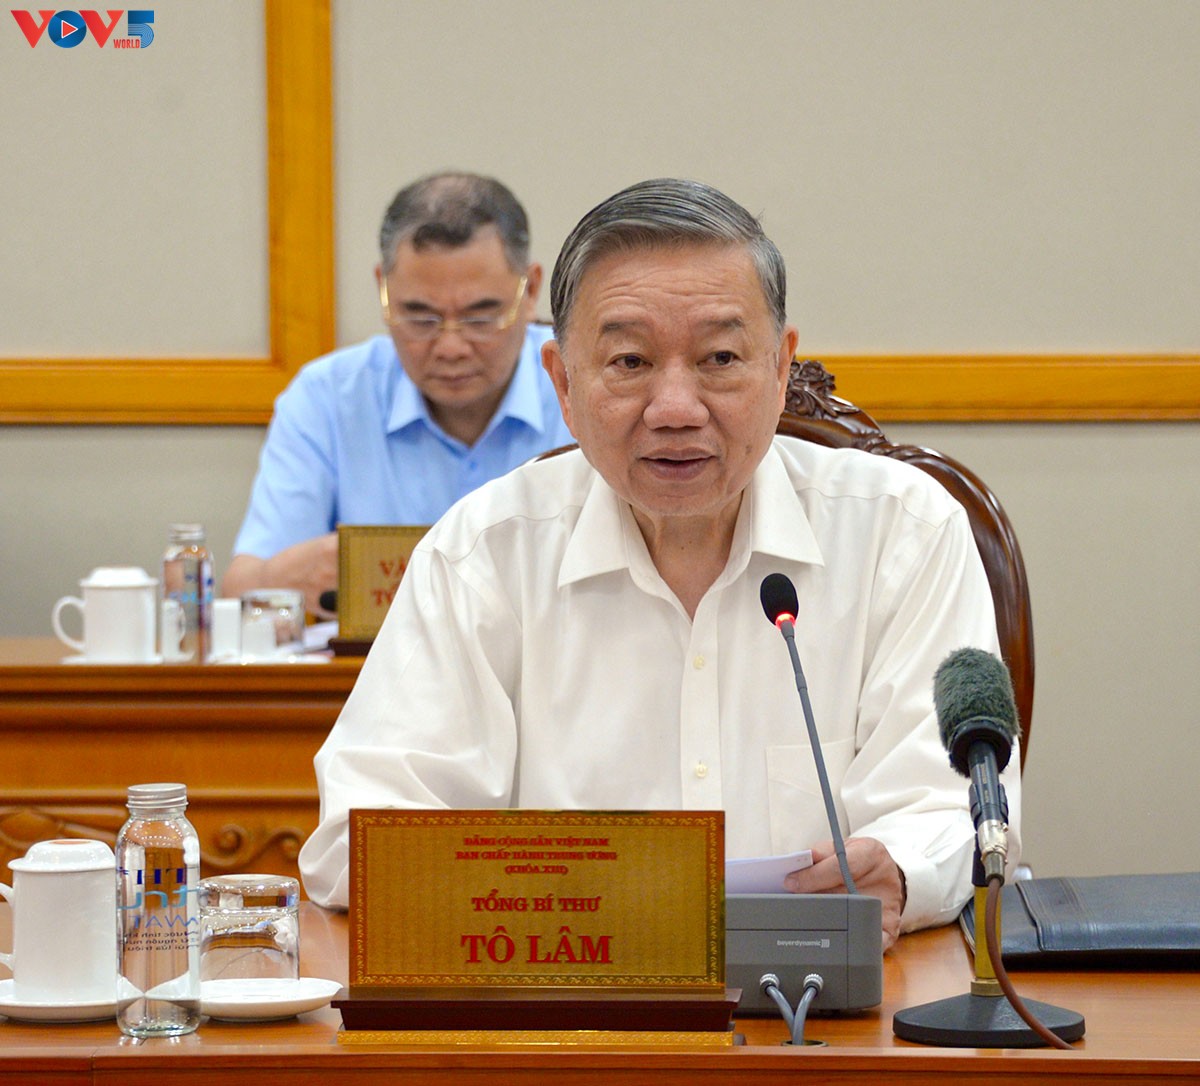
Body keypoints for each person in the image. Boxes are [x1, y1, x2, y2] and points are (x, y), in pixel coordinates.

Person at [298, 178, 1022, 949]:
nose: (675, 408)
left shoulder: (902, 534)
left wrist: (900, 871)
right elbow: (358, 836)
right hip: (565, 999)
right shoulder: (483, 554)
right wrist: (549, 896)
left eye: (720, 358)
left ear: (782, 368)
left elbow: (951, 808)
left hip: (837, 996)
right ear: (563, 383)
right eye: (631, 361)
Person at [223, 172, 574, 616]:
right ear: (382, 288)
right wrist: (288, 576)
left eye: (480, 318)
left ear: (532, 290)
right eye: (421, 318)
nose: (450, 347)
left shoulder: (583, 387)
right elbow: (241, 592)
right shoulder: (328, 397)